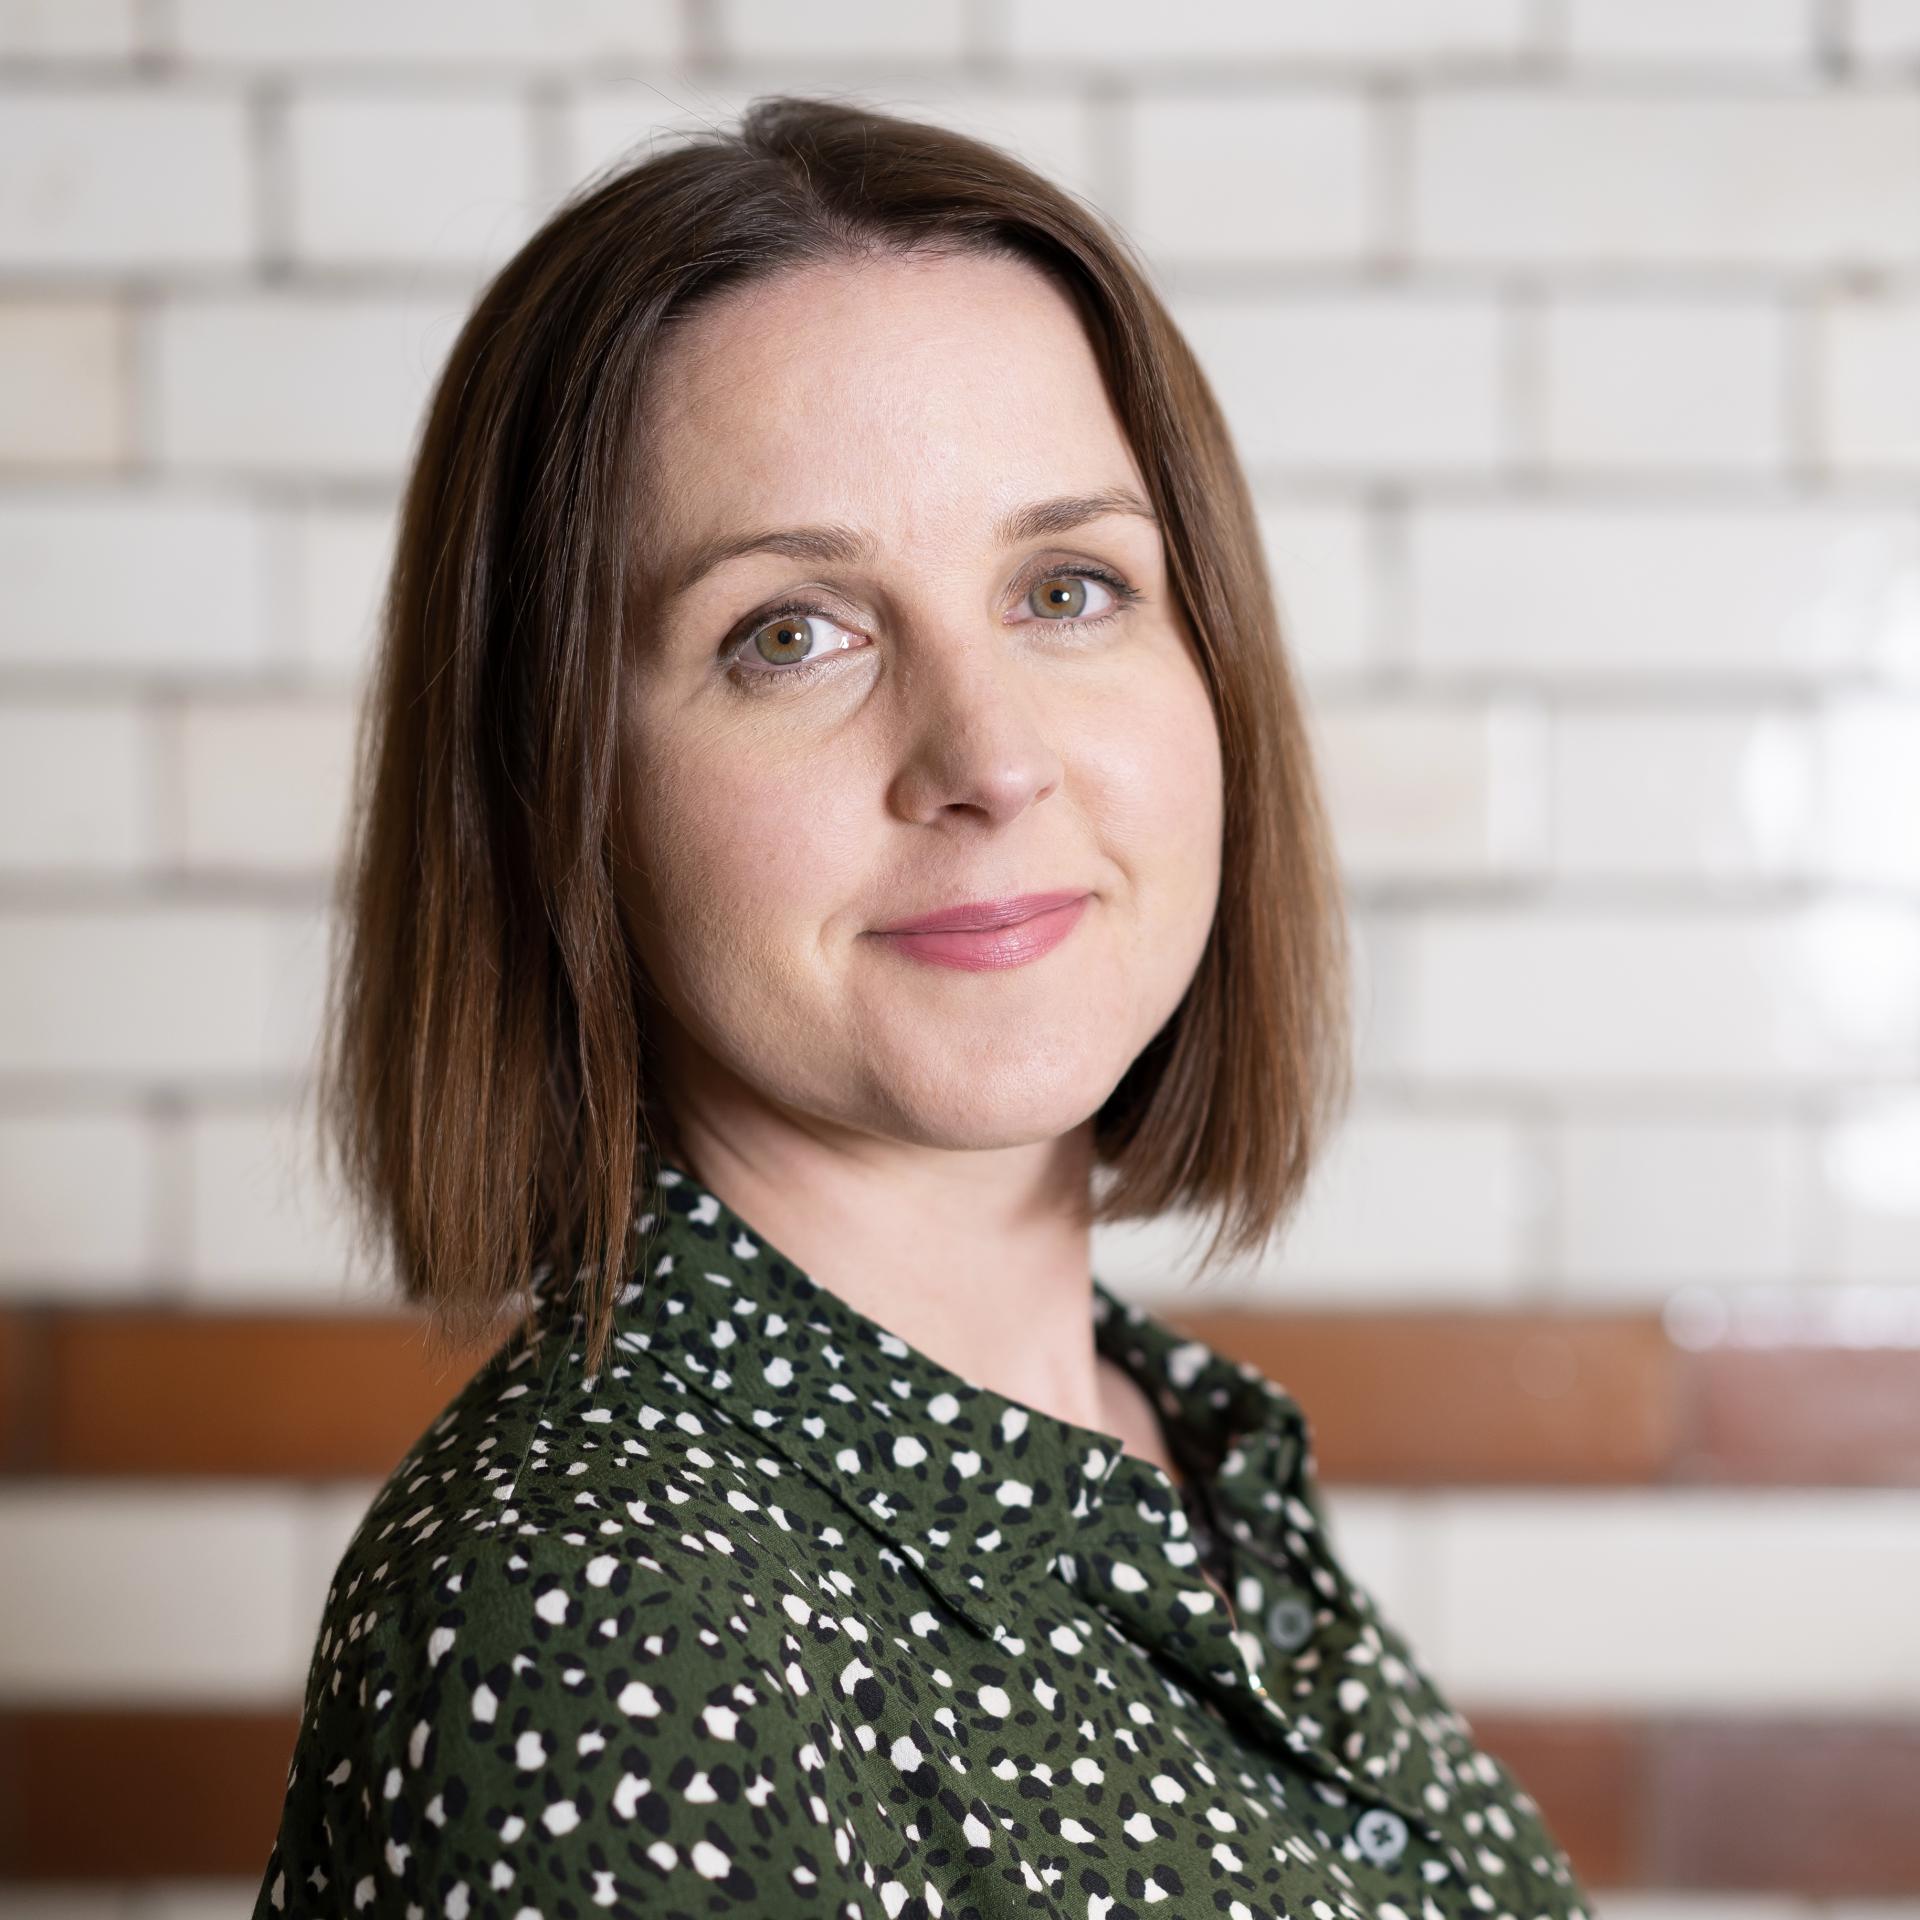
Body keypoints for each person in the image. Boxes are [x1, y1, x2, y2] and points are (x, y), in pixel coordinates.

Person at [253, 95, 1595, 1920]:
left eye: (1068, 588)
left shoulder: (1171, 1441)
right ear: (553, 788)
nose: (988, 759)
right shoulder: (596, 1619)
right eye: (791, 630)